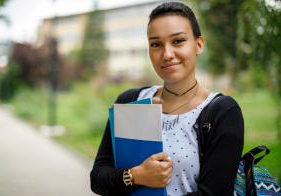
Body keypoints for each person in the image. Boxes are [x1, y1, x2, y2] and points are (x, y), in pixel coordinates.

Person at [90, 2, 244, 195]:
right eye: (156, 44)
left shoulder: (221, 112)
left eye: (178, 41)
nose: (167, 54)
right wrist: (137, 175)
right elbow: (97, 179)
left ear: (198, 44)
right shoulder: (131, 101)